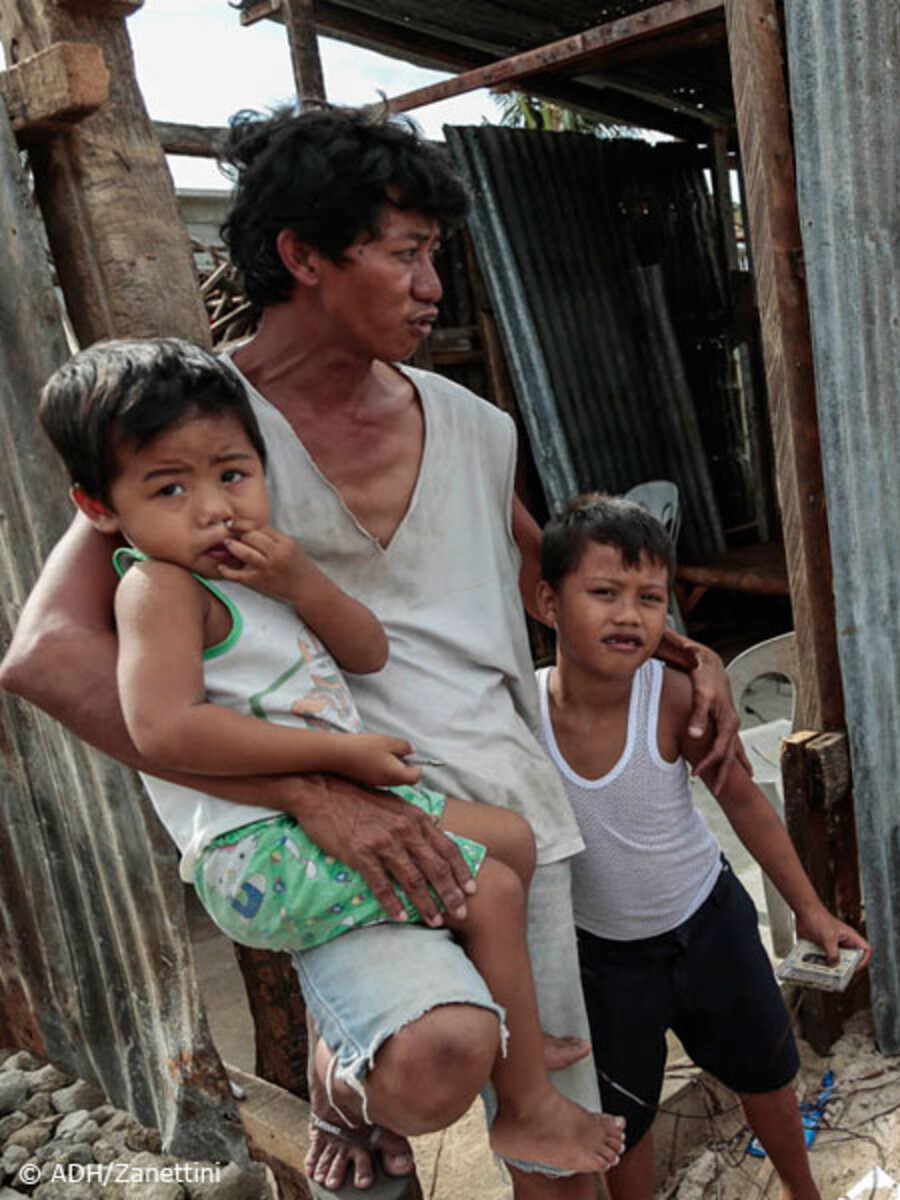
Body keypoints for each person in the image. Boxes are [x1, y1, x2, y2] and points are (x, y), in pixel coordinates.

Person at [0, 105, 743, 1197]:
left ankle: (361, 1085)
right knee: (431, 1067)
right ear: (303, 256)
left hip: (500, 813)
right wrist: (310, 792)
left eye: (434, 254)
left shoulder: (474, 424)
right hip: (340, 831)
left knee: (552, 1148)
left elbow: (555, 585)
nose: (433, 283)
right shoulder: (194, 433)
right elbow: (45, 657)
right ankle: (349, 1089)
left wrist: (691, 658)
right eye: (405, 253)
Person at [34, 337, 626, 1172]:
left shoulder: (249, 576)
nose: (216, 510)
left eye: (233, 475)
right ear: (100, 507)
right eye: (170, 488)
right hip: (259, 848)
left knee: (513, 838)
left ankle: (515, 1041)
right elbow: (165, 730)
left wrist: (303, 583)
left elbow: (369, 650)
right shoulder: (157, 590)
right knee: (490, 887)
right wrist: (337, 759)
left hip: (309, 813)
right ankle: (523, 1102)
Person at [531, 494, 870, 1200]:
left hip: (709, 921)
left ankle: (802, 1190)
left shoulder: (675, 696)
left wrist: (809, 909)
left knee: (769, 1073)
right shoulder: (521, 714)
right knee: (622, 1119)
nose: (629, 614)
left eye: (650, 598)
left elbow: (743, 800)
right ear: (547, 602)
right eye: (604, 593)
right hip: (606, 958)